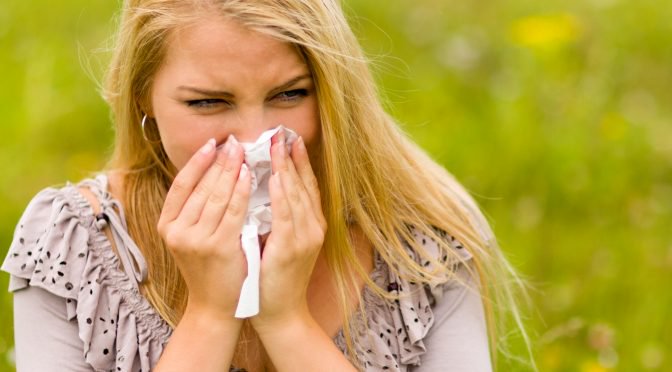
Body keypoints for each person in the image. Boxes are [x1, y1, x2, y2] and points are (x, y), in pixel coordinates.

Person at [2, 1, 534, 371]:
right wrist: (210, 315)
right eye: (208, 102)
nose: (256, 140)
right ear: (143, 98)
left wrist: (287, 323)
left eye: (289, 95)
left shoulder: (422, 240)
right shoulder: (73, 243)